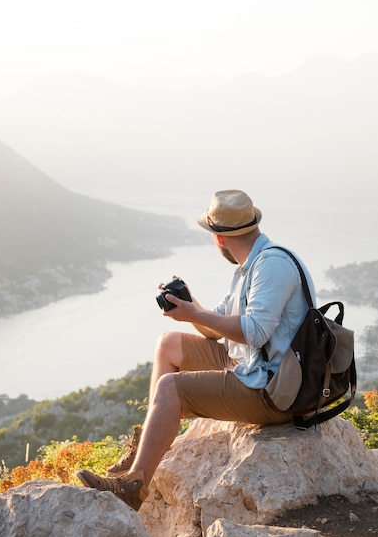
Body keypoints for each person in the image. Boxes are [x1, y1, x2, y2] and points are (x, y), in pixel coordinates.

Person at [76, 189, 315, 511]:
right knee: (169, 342)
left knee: (170, 387)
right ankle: (144, 447)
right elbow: (212, 329)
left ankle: (134, 487)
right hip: (251, 365)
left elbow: (255, 333)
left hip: (274, 388)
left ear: (218, 238)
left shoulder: (271, 266)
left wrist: (195, 314)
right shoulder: (251, 266)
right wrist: (189, 306)